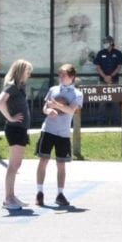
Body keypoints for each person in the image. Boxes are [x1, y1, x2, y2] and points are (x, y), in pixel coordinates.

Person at [35, 63, 85, 210]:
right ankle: (39, 192)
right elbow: (45, 107)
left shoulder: (77, 94)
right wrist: (48, 111)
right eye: (60, 74)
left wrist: (56, 105)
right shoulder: (53, 89)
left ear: (72, 76)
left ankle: (60, 194)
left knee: (60, 164)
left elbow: (70, 110)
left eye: (64, 74)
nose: (61, 77)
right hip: (48, 129)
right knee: (43, 159)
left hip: (63, 133)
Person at [0, 59, 33, 211]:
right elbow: (0, 102)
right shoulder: (11, 85)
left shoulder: (20, 86)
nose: (29, 75)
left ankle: (12, 196)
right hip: (15, 129)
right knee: (13, 165)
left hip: (21, 129)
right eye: (27, 72)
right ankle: (8, 198)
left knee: (16, 164)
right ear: (20, 71)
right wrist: (10, 118)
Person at [91, 37, 122, 125]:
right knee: (102, 101)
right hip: (103, 81)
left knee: (115, 101)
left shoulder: (118, 53)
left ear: (111, 42)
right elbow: (97, 67)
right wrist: (105, 77)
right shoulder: (101, 53)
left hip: (114, 80)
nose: (105, 43)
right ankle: (101, 120)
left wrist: (110, 76)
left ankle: (116, 121)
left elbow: (119, 67)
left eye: (106, 42)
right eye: (104, 42)